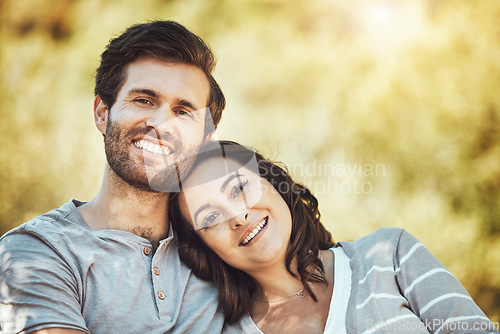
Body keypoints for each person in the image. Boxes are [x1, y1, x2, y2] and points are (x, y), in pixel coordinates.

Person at [0, 21, 244, 334]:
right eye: (144, 100)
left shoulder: (227, 244)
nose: (160, 123)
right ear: (103, 113)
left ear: (205, 140)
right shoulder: (36, 252)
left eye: (183, 111)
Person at [170, 140, 500, 334]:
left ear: (273, 183)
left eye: (240, 188)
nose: (238, 216)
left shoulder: (388, 255)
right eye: (211, 217)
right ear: (203, 248)